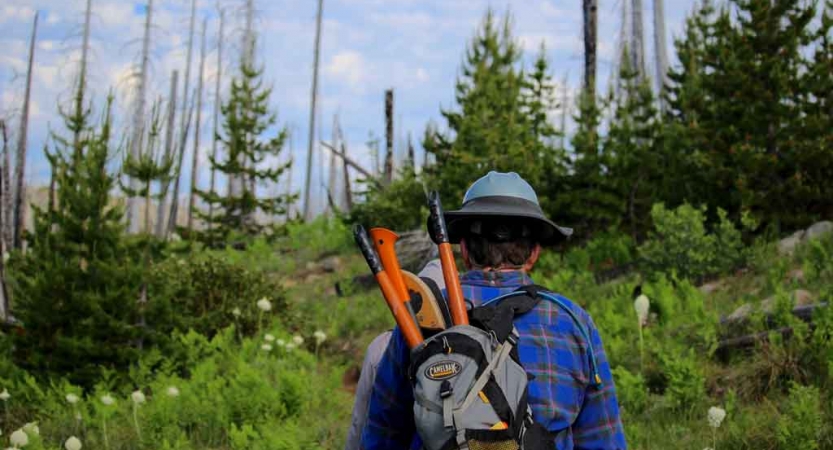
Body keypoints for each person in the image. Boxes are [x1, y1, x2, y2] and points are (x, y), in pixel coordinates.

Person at [360, 171, 627, 449]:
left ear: (463, 249)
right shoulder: (574, 323)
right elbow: (603, 438)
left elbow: (383, 431)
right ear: (534, 253)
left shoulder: (422, 316)